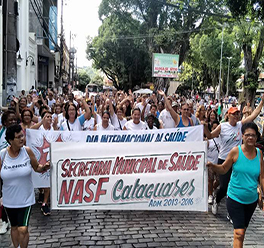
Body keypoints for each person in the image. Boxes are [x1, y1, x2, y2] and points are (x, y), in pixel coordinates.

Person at [204, 96, 264, 215]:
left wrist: (262, 102)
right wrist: (204, 127)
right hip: (224, 159)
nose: (236, 116)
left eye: (237, 114)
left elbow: (254, 115)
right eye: (233, 114)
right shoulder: (223, 126)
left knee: (237, 184)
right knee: (224, 185)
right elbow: (210, 136)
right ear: (228, 115)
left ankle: (234, 209)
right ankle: (216, 199)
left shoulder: (240, 125)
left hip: (237, 159)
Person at [207, 122, 264, 248]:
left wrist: (262, 195)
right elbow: (223, 169)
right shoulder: (235, 152)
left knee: (242, 232)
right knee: (239, 232)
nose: (250, 138)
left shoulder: (259, 154)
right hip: (235, 198)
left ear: (256, 137)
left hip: (251, 201)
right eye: (247, 135)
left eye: (253, 135)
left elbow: (262, 177)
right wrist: (213, 166)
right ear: (242, 136)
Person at [0, 124, 50, 248]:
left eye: (22, 136)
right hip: (9, 199)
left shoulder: (27, 151)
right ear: (10, 141)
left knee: (23, 229)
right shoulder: (2, 155)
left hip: (25, 199)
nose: (22, 139)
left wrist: (44, 167)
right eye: (18, 137)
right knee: (14, 227)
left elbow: (36, 167)